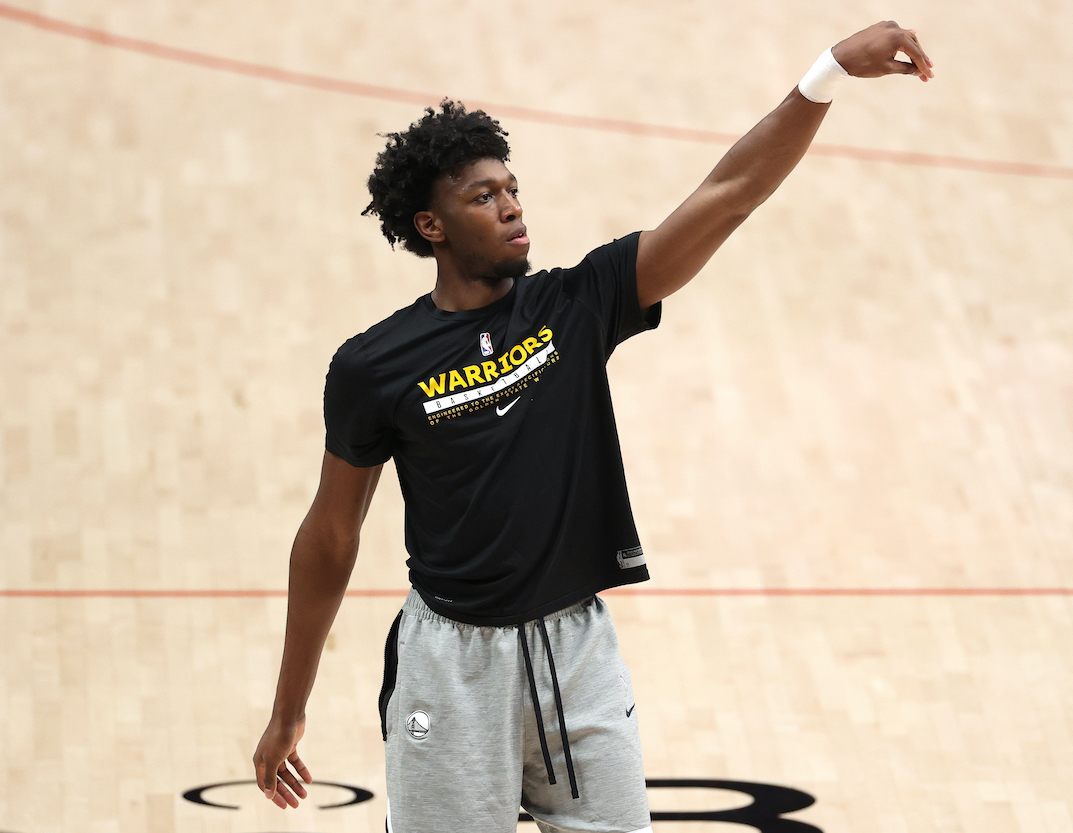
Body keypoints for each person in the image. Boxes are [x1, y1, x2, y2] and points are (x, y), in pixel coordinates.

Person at [252, 20, 932, 833]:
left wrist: (824, 75)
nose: (511, 208)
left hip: (575, 654)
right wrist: (290, 707)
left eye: (511, 189)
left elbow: (729, 195)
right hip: (451, 664)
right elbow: (330, 536)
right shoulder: (374, 365)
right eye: (482, 197)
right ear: (430, 227)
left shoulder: (577, 304)